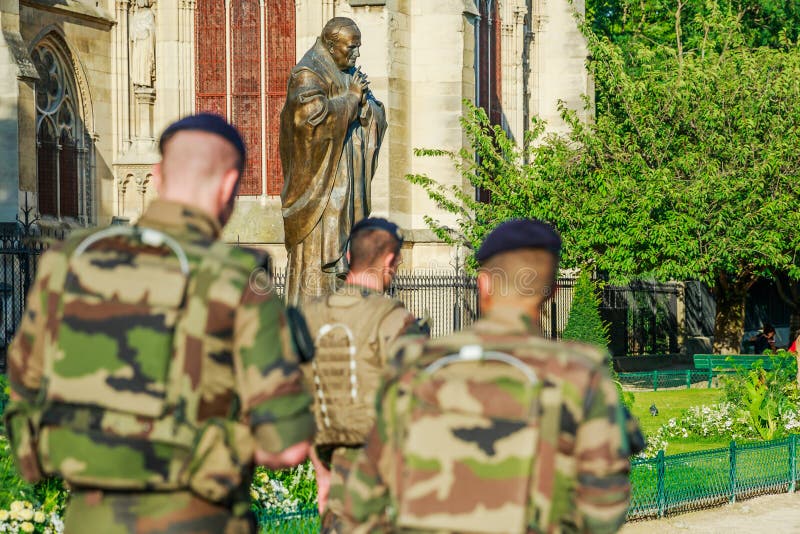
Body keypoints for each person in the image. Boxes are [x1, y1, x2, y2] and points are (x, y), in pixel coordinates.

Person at [4, 114, 315, 533]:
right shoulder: (237, 279)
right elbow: (288, 445)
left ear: (156, 176)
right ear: (228, 186)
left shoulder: (67, 262)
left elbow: (24, 393)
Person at [341, 219, 638, 533]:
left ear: (482, 284)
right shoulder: (580, 374)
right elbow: (604, 508)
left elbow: (360, 498)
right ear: (551, 291)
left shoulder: (414, 364)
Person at [301, 217, 428, 529]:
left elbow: (299, 403)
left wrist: (322, 474)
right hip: (384, 483)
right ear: (390, 261)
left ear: (347, 257)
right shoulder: (396, 321)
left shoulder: (307, 317)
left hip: (335, 481)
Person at [280, 16, 387, 305]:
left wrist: (366, 107)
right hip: (322, 193)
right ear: (330, 45)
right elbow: (311, 122)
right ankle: (312, 318)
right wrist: (352, 100)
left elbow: (377, 113)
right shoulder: (307, 74)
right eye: (351, 48)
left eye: (357, 48)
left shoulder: (348, 71)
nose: (356, 55)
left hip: (349, 182)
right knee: (318, 270)